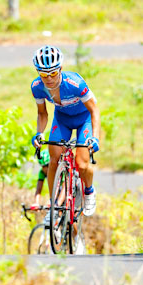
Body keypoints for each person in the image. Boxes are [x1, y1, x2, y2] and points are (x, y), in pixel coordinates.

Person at [31, 45, 101, 216]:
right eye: (43, 74)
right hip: (62, 120)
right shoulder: (37, 87)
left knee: (82, 163)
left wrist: (95, 137)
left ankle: (89, 190)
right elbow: (42, 114)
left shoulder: (75, 83)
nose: (48, 78)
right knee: (53, 159)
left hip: (84, 119)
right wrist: (39, 133)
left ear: (60, 69)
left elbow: (94, 110)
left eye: (53, 73)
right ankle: (54, 203)